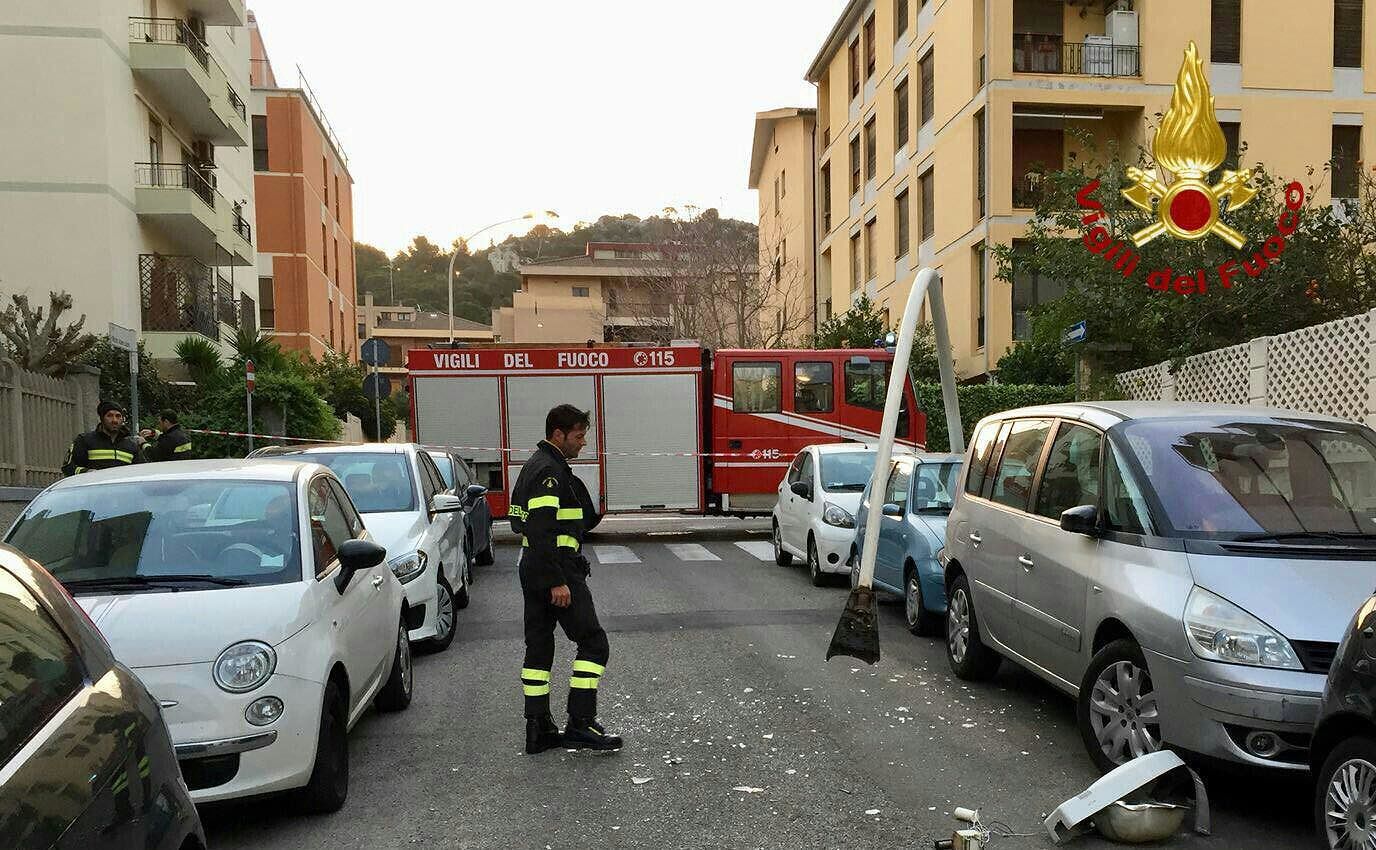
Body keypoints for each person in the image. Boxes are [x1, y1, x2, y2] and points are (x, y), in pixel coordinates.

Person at [510, 403, 619, 754]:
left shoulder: (536, 466)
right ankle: (580, 722)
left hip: (534, 567)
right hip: (556, 569)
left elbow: (519, 521)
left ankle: (538, 727)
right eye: (578, 435)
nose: (583, 442)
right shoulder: (549, 471)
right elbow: (542, 529)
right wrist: (557, 580)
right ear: (558, 434)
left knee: (539, 647)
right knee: (594, 643)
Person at [62, 401, 142, 476]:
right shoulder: (84, 440)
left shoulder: (131, 446)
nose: (114, 420)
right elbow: (68, 467)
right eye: (109, 416)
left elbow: (141, 471)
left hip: (122, 490)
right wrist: (87, 473)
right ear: (102, 418)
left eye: (118, 416)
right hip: (94, 489)